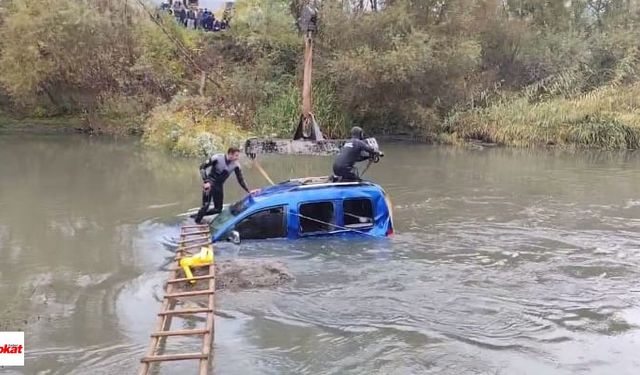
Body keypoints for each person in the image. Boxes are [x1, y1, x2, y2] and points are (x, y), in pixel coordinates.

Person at [194, 147, 259, 224]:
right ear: (230, 154)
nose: (237, 158)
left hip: (219, 186)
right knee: (205, 205)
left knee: (218, 209)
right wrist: (206, 182)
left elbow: (240, 180)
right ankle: (197, 221)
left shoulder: (236, 165)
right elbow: (202, 168)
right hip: (209, 184)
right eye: (236, 155)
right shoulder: (217, 158)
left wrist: (248, 190)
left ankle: (198, 215)